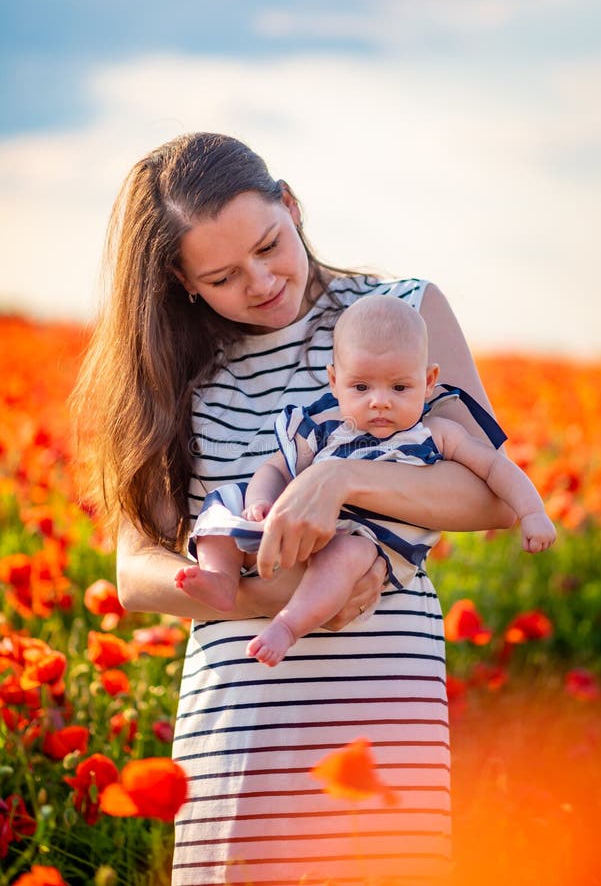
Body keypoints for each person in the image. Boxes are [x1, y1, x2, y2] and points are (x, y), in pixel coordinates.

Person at [72, 132, 518, 885]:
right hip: (241, 721)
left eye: (269, 245)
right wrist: (276, 595)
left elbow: (486, 493)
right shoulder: (175, 371)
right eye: (220, 276)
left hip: (382, 705)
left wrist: (338, 480)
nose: (260, 281)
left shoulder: (403, 312)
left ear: (291, 203)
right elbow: (136, 571)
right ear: (181, 282)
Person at [176, 294, 555, 667]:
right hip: (299, 527)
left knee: (347, 555)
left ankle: (288, 626)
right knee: (225, 501)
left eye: (399, 387)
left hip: (372, 544)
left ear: (428, 381)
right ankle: (220, 577)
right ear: (335, 382)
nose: (379, 401)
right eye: (361, 388)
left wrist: (532, 512)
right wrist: (261, 501)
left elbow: (495, 468)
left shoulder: (436, 433)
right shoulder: (324, 429)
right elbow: (274, 469)